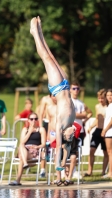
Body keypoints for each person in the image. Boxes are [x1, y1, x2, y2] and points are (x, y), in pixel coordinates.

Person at [30, 16, 75, 171]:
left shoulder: (61, 124)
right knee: (52, 56)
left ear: (65, 136)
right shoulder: (71, 122)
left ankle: (35, 33)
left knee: (46, 58)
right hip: (66, 85)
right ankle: (40, 30)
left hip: (56, 87)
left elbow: (60, 150)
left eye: (70, 135)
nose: (73, 132)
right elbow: (67, 150)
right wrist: (64, 162)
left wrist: (58, 164)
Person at [9, 112, 46, 185]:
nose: (33, 121)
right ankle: (25, 163)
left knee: (22, 158)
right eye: (31, 119)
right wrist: (29, 132)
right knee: (21, 145)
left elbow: (43, 143)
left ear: (37, 120)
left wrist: (37, 147)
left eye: (35, 119)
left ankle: (18, 180)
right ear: (28, 120)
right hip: (25, 149)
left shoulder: (41, 129)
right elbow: (22, 141)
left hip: (34, 150)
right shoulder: (25, 129)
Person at [84, 89, 108, 177]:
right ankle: (89, 171)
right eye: (99, 98)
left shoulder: (109, 107)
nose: (100, 100)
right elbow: (97, 119)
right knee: (91, 150)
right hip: (97, 130)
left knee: (106, 152)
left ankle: (103, 172)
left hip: (106, 131)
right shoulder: (97, 106)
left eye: (102, 98)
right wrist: (91, 127)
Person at [101, 88, 112, 178]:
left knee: (110, 153)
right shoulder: (109, 106)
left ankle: (110, 173)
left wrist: (104, 130)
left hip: (110, 132)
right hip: (109, 131)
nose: (109, 97)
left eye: (111, 95)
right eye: (108, 95)